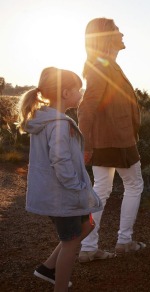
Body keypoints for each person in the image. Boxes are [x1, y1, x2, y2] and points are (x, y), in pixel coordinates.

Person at [18, 67, 102, 291]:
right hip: (63, 194)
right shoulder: (58, 123)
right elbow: (60, 160)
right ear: (66, 93)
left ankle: (47, 268)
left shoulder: (49, 119)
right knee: (71, 242)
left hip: (64, 192)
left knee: (87, 226)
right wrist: (76, 186)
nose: (81, 93)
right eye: (78, 89)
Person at [77, 17, 145, 262]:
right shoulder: (103, 66)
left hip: (108, 139)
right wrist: (85, 144)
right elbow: (86, 108)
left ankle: (88, 247)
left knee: (102, 190)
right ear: (106, 36)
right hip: (117, 139)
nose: (122, 33)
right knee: (134, 185)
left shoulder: (104, 64)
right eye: (117, 30)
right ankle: (124, 241)